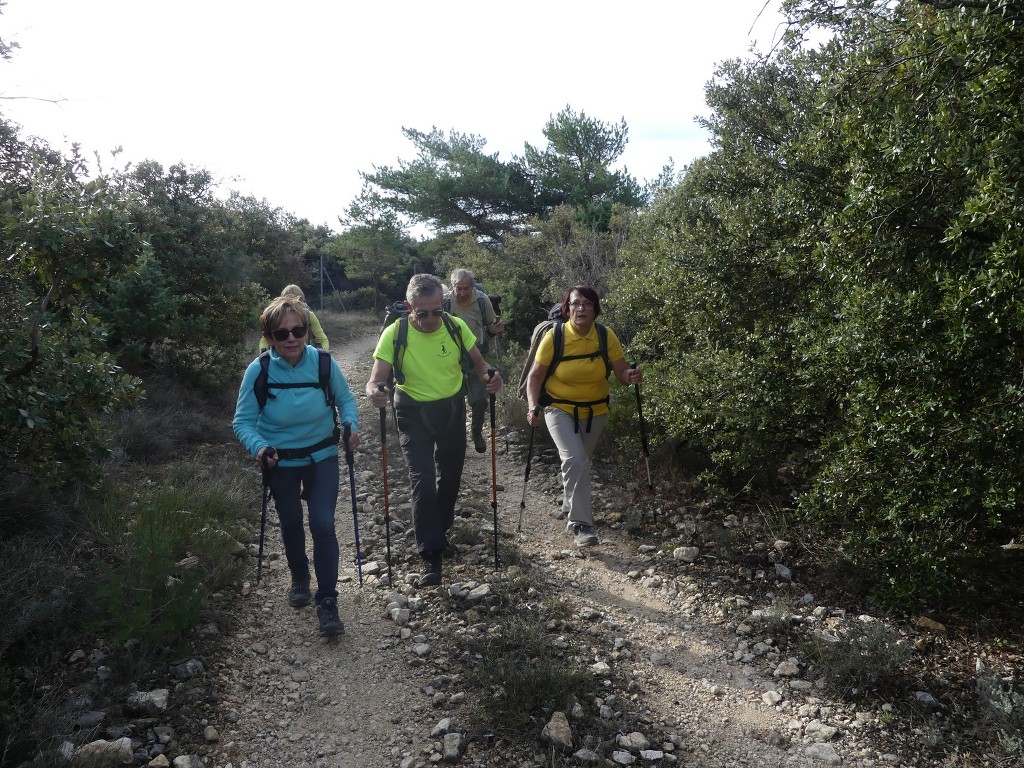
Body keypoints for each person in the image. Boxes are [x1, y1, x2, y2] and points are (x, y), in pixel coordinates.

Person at [234, 295, 359, 636]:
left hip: (322, 456)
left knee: (322, 523)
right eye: (281, 333)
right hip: (281, 460)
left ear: (307, 330)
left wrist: (350, 426)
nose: (291, 338)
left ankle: (328, 600)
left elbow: (346, 400)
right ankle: (300, 576)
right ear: (269, 337)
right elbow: (243, 421)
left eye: (298, 330)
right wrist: (259, 447)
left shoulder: (323, 363)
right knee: (290, 522)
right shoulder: (258, 370)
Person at [367, 274, 502, 586]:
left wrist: (491, 377)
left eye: (436, 311)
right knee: (423, 479)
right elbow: (376, 378)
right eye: (422, 312)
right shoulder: (395, 332)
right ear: (408, 306)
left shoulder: (456, 326)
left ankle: (439, 531)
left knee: (451, 477)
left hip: (452, 409)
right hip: (411, 411)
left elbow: (481, 364)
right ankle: (430, 554)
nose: (430, 319)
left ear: (443, 305)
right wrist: (374, 390)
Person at [524, 285, 642, 548]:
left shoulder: (604, 335)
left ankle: (571, 504)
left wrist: (630, 377)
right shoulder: (555, 336)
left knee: (580, 461)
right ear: (567, 309)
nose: (581, 309)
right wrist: (533, 406)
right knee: (576, 460)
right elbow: (535, 377)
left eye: (587, 304)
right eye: (576, 304)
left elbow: (621, 374)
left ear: (595, 310)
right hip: (558, 408)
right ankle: (581, 524)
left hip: (595, 410)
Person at [444, 268, 505, 453]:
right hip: (449, 356)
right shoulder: (445, 302)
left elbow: (490, 326)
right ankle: (454, 437)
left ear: (472, 286)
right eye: (458, 288)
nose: (462, 293)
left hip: (476, 354)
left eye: (466, 288)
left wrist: (498, 328)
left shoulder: (481, 300)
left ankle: (476, 431)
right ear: (452, 286)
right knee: (452, 399)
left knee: (479, 399)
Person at [259, 284, 329, 352]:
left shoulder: (308, 315)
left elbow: (264, 341)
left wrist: (322, 357)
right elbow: (323, 339)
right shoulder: (275, 316)